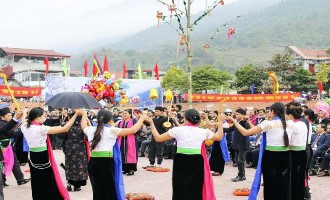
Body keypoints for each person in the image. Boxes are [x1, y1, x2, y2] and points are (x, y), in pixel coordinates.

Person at [146, 109, 225, 200]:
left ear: (185, 118)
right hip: (197, 160)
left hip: (181, 160)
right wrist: (221, 124)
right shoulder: (203, 131)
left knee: (179, 188)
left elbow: (158, 138)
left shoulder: (177, 130)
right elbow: (219, 137)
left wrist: (152, 124)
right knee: (195, 188)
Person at [226, 102, 294, 200]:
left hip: (271, 156)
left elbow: (245, 132)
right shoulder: (290, 124)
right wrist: (249, 121)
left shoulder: (268, 123)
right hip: (286, 156)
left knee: (270, 183)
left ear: (272, 111)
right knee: (284, 182)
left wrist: (234, 121)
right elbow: (256, 129)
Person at [80, 109, 147, 200]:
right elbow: (133, 130)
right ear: (110, 120)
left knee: (97, 189)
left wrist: (84, 115)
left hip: (93, 161)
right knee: (109, 189)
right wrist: (142, 119)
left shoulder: (91, 129)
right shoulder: (112, 130)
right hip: (106, 162)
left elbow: (83, 126)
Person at [21, 107, 81, 200]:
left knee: (36, 180)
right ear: (37, 118)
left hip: (33, 156)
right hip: (42, 157)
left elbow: (24, 119)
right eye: (44, 116)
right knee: (47, 180)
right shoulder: (41, 129)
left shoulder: (24, 127)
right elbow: (65, 128)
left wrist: (24, 112)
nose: (46, 117)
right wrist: (76, 115)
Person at [0, 106, 30, 186]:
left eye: (11, 115)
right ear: (2, 117)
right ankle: (19, 179)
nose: (10, 117)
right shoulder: (2, 124)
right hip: (4, 147)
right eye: (8, 116)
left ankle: (5, 180)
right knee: (7, 163)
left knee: (8, 163)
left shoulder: (5, 123)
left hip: (7, 146)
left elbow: (11, 130)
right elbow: (11, 133)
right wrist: (23, 129)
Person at [286, 104, 308, 200]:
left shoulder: (291, 125)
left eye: (286, 115)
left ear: (290, 115)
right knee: (300, 177)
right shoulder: (303, 123)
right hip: (303, 152)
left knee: (293, 177)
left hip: (293, 153)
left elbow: (287, 139)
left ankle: (292, 196)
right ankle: (300, 196)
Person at [62, 114, 89, 192]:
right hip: (80, 147)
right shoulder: (83, 127)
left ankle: (69, 183)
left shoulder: (66, 126)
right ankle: (77, 185)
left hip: (70, 147)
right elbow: (88, 136)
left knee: (70, 165)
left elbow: (61, 136)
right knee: (80, 165)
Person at [117, 109, 138, 175]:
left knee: (130, 153)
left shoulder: (134, 121)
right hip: (122, 140)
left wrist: (128, 132)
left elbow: (137, 130)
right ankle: (124, 169)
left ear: (130, 114)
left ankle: (131, 169)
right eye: (123, 113)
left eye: (126, 113)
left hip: (131, 139)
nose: (124, 114)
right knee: (122, 153)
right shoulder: (120, 122)